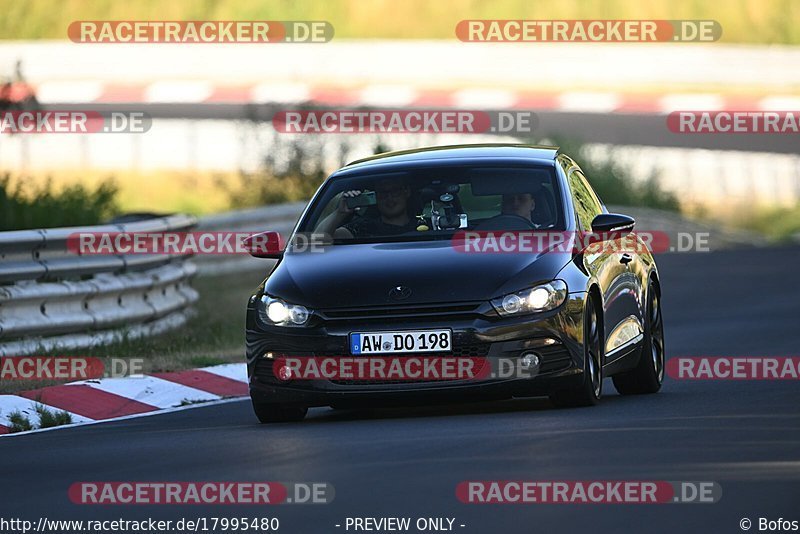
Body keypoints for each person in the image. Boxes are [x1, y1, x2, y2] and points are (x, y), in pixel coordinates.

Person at [316, 178, 417, 239]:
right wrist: (339, 213)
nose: (389, 198)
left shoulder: (426, 225)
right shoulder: (363, 228)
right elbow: (317, 240)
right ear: (375, 196)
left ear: (406, 192)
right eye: (382, 193)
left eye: (395, 191)